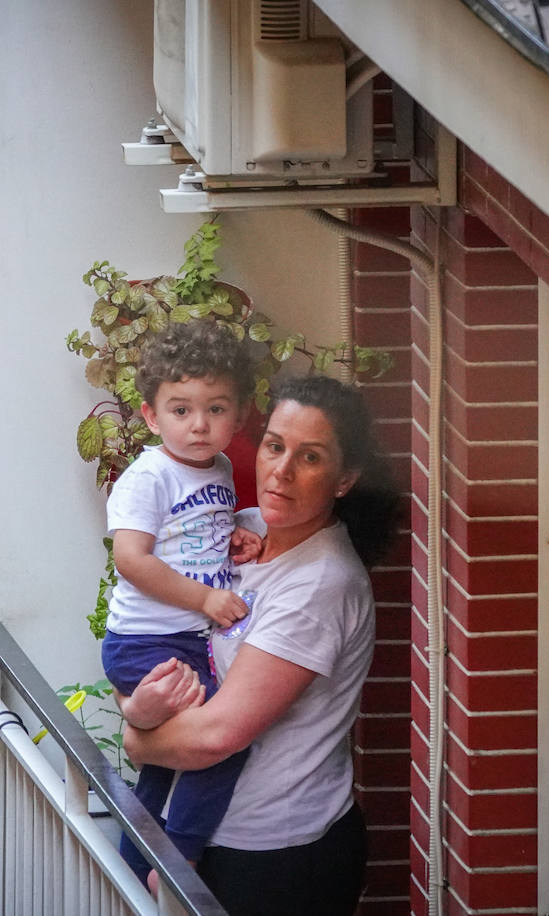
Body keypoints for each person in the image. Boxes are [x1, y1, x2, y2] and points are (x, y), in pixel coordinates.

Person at [121, 375, 401, 916]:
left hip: (276, 858)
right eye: (275, 446)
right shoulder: (239, 533)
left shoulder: (320, 583)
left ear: (344, 480)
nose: (282, 470)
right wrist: (138, 702)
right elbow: (147, 636)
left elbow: (216, 736)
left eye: (311, 457)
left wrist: (137, 736)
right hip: (204, 834)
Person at [101, 320, 262, 884]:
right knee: (220, 737)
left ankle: (139, 856)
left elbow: (198, 531)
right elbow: (132, 560)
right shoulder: (149, 478)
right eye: (181, 409)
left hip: (187, 638)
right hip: (147, 641)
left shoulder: (216, 468)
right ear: (150, 415)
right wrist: (206, 598)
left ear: (238, 415)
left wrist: (237, 530)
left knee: (174, 757)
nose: (199, 425)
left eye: (216, 409)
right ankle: (181, 857)